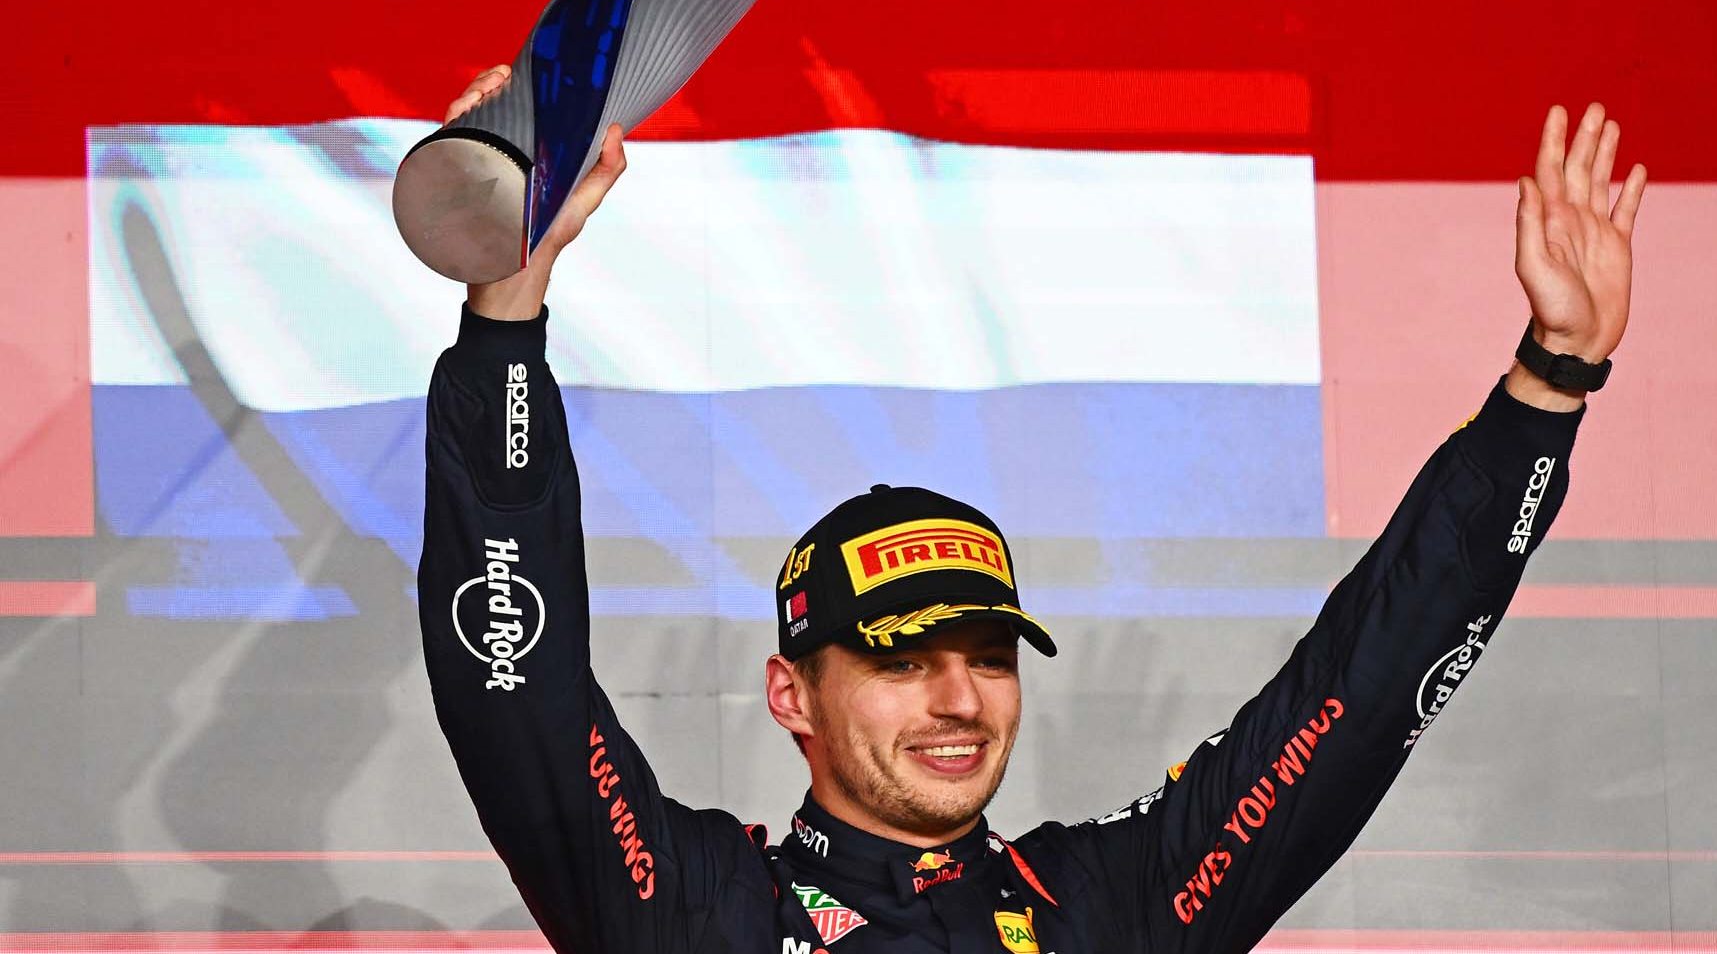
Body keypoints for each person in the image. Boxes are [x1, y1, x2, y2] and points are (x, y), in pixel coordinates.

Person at [418, 65, 1648, 953]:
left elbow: (1359, 693)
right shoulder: (696, 910)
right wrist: (505, 327)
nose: (961, 699)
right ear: (792, 692)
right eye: (904, 659)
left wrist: (1548, 389)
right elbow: (513, 686)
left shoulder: (1105, 905)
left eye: (989, 655)